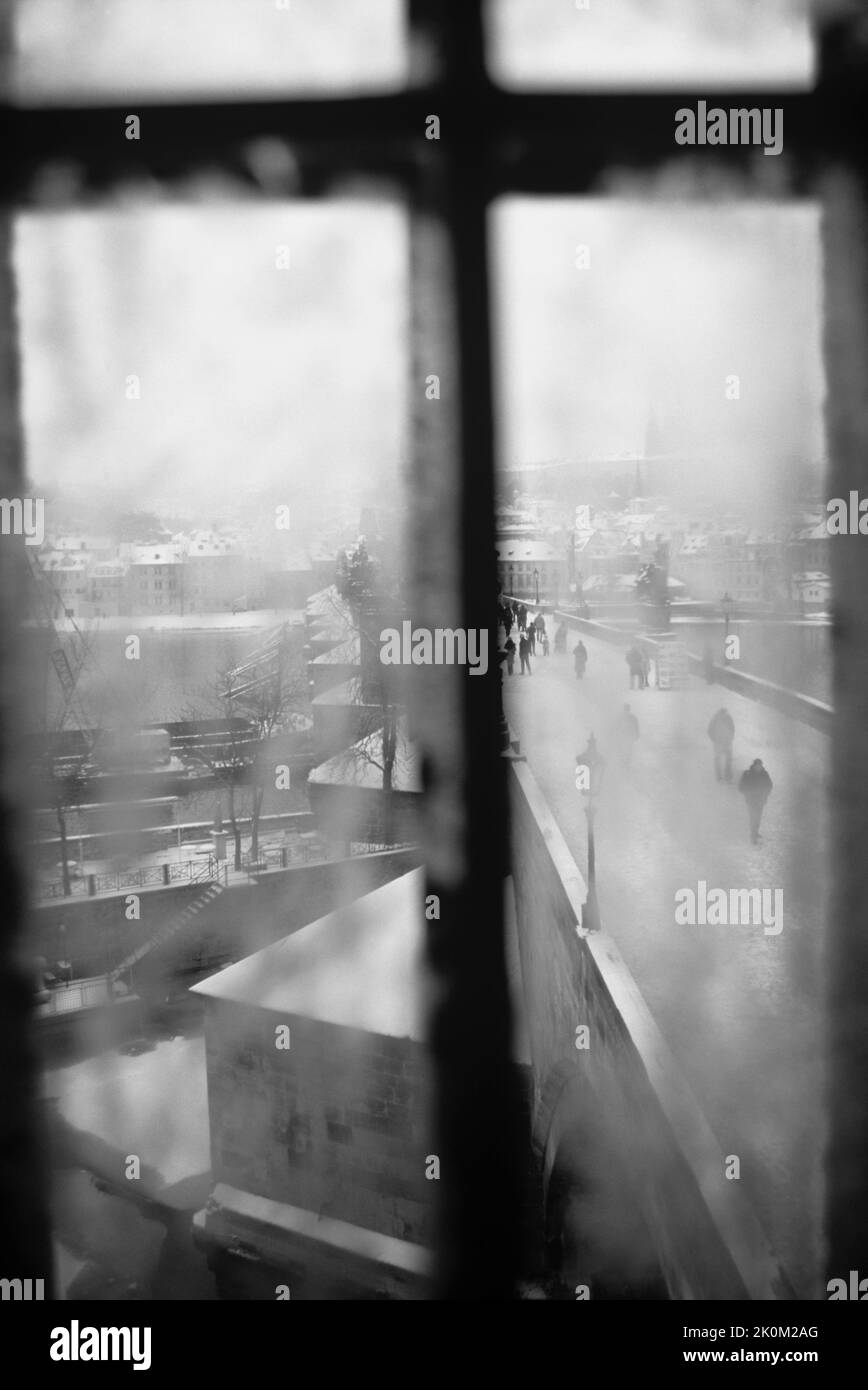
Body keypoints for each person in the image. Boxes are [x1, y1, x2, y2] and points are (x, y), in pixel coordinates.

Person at [738, 758, 773, 844]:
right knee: (753, 817)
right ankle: (753, 835)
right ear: (753, 766)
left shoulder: (765, 774)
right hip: (751, 800)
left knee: (758, 817)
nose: (758, 767)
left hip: (761, 800)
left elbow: (770, 785)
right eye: (757, 765)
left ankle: (755, 832)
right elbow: (741, 787)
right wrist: (748, 793)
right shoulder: (747, 774)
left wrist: (765, 794)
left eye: (760, 765)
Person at [707, 707, 735, 782]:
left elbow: (732, 729)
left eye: (725, 713)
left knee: (728, 760)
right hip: (718, 743)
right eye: (723, 713)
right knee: (718, 760)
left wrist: (730, 738)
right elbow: (709, 730)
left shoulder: (728, 718)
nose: (724, 714)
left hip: (726, 742)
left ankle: (727, 778)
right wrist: (714, 739)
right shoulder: (715, 719)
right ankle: (720, 778)